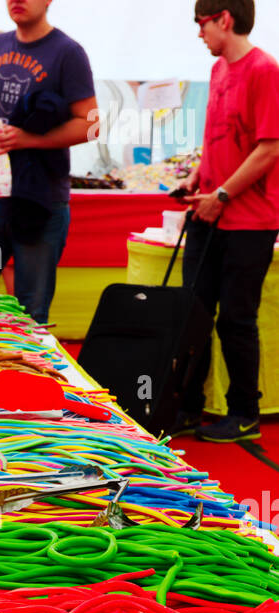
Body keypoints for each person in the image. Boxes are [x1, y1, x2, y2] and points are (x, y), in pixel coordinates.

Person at [0, 0, 96, 325]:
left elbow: (92, 124)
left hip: (40, 201)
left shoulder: (68, 52)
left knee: (30, 314)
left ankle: (27, 374)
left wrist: (28, 139)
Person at [175, 0, 279, 444]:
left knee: (236, 318)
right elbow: (218, 134)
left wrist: (222, 194)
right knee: (192, 313)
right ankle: (185, 406)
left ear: (224, 19)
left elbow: (271, 147)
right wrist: (201, 173)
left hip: (250, 218)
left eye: (201, 24)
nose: (198, 33)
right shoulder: (219, 71)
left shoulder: (265, 71)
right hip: (210, 208)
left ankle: (244, 413)